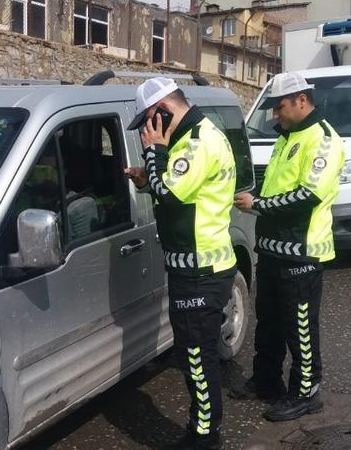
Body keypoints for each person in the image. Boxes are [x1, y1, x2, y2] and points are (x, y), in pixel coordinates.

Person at [124, 78, 236, 450]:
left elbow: (170, 194)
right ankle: (202, 431)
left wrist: (154, 153)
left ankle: (205, 438)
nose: (145, 131)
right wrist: (147, 179)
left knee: (198, 358)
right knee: (194, 355)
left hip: (201, 271)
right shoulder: (190, 138)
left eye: (147, 122)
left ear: (162, 112)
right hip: (193, 267)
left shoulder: (197, 142)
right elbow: (176, 191)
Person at [232, 72, 344, 422]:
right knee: (269, 322)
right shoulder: (287, 136)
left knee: (300, 328)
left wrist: (257, 204)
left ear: (301, 100)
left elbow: (308, 195)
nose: (274, 114)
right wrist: (257, 198)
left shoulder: (323, 139)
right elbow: (276, 186)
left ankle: (306, 393)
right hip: (271, 250)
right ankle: (266, 380)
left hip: (301, 252)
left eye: (279, 107)